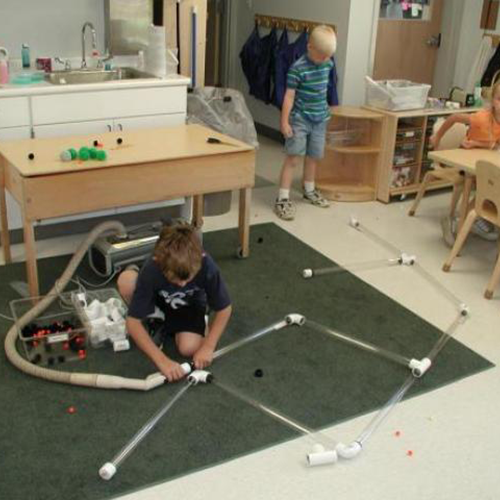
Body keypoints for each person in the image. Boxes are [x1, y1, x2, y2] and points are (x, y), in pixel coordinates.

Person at [117, 222, 232, 382]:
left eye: (188, 278)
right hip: (158, 296)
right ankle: (156, 317)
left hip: (189, 303)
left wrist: (208, 346)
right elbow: (133, 323)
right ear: (158, 262)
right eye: (175, 279)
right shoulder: (152, 267)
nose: (182, 284)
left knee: (188, 348)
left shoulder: (206, 264)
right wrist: (161, 360)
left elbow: (224, 309)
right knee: (126, 282)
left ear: (200, 259)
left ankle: (179, 321)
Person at [274, 25, 337, 221]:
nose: (325, 60)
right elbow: (289, 97)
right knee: (293, 157)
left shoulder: (328, 64)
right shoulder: (297, 69)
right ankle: (283, 197)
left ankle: (309, 189)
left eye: (328, 56)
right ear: (309, 47)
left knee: (313, 157)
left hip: (320, 120)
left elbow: (325, 90)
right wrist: (284, 122)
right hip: (300, 120)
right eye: (322, 56)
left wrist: (329, 111)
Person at [430, 82, 500, 241]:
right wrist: (437, 136)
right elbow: (454, 118)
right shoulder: (481, 118)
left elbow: (494, 144)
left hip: (484, 162)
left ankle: (477, 218)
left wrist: (478, 143)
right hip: (466, 163)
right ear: (492, 101)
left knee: (493, 185)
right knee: (490, 187)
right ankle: (456, 223)